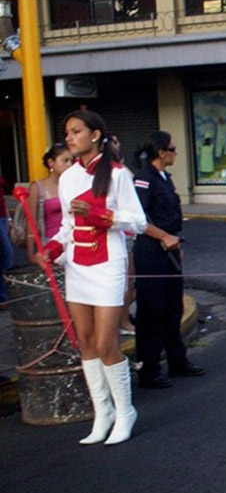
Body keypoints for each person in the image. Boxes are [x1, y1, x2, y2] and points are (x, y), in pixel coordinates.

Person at [41, 110, 147, 445]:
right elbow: (67, 227)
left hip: (107, 264)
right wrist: (54, 246)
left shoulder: (117, 175)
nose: (70, 138)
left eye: (76, 131)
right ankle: (103, 412)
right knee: (85, 342)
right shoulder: (69, 177)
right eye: (67, 133)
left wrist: (102, 215)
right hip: (77, 266)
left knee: (105, 343)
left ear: (96, 134)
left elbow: (138, 222)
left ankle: (125, 409)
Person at [132, 131, 204, 389]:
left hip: (169, 248)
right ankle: (149, 369)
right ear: (161, 152)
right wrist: (163, 237)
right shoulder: (143, 179)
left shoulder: (165, 178)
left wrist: (173, 242)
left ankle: (177, 361)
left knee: (173, 307)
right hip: (151, 250)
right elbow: (139, 218)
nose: (175, 152)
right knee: (151, 311)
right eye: (172, 148)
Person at [26, 144, 72, 263]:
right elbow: (32, 220)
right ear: (51, 163)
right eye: (65, 161)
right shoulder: (37, 187)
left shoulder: (72, 185)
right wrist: (31, 253)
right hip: (49, 243)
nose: (69, 165)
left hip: (70, 241)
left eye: (72, 161)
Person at [0, 171, 12, 308]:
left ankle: (3, 295)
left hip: (2, 215)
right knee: (6, 253)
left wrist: (8, 217)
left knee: (6, 255)